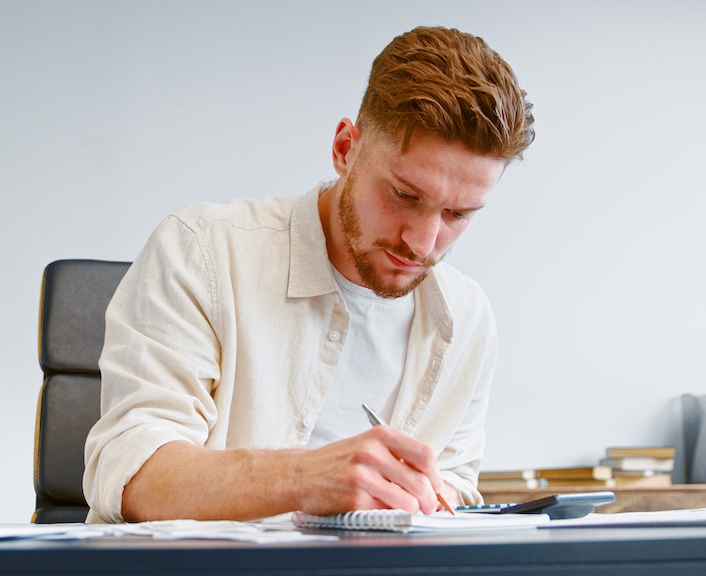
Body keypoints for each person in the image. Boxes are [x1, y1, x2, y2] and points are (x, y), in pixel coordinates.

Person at [83, 26, 534, 524]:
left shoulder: (467, 319)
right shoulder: (203, 250)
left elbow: (453, 492)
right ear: (345, 149)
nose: (423, 243)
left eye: (458, 215)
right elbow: (133, 475)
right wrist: (305, 479)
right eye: (406, 196)